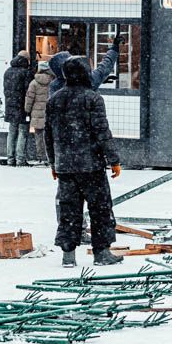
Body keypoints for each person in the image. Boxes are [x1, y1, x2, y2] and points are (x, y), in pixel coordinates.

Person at [45, 56, 124, 268]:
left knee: (69, 209)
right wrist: (114, 160)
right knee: (100, 209)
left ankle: (68, 255)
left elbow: (48, 135)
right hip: (91, 165)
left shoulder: (54, 100)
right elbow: (102, 132)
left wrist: (53, 163)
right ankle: (101, 253)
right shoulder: (93, 99)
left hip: (66, 167)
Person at [48, 33, 125, 98]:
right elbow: (105, 67)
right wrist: (114, 47)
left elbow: (52, 110)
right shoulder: (87, 80)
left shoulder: (55, 86)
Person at [2, 50, 33, 165]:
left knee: (12, 132)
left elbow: (5, 90)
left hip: (10, 105)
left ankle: (10, 158)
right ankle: (20, 159)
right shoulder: (26, 73)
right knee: (23, 132)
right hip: (22, 106)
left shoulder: (8, 71)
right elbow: (27, 91)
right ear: (26, 60)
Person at [23, 61, 53, 166]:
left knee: (39, 136)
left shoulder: (34, 83)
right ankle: (50, 157)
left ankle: (41, 157)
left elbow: (29, 99)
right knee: (50, 137)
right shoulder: (52, 82)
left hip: (36, 113)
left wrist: (27, 110)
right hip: (49, 114)